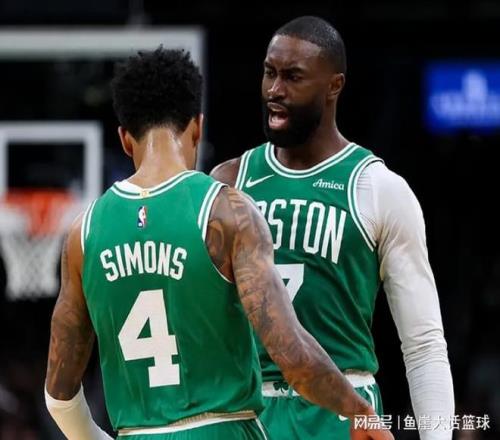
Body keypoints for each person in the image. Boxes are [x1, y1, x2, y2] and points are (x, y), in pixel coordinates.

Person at [44, 47, 393, 440]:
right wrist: (358, 409)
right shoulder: (227, 212)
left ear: (125, 139)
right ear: (197, 126)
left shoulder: (83, 233)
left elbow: (59, 398)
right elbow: (291, 354)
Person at [211, 16, 454, 440]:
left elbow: (423, 344)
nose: (274, 90)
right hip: (249, 409)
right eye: (269, 73)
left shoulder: (379, 188)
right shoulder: (228, 182)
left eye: (293, 77)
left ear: (334, 86)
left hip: (342, 409)